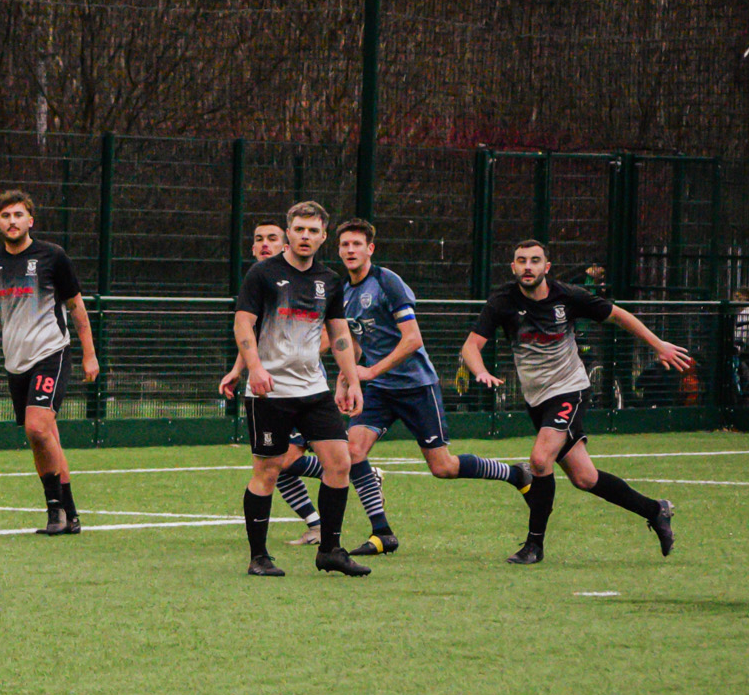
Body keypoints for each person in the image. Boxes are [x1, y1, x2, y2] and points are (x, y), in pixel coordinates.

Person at [459, 239, 691, 565]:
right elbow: (470, 347)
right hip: (537, 401)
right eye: (521, 261)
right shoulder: (502, 301)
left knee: (540, 459)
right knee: (585, 478)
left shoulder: (568, 296)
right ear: (513, 267)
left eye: (535, 260)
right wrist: (480, 370)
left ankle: (534, 546)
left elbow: (619, 316)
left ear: (546, 267)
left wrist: (657, 344)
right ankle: (655, 510)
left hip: (570, 390)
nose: (528, 266)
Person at [329, 216, 530, 555]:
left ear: (370, 249)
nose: (351, 250)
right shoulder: (344, 291)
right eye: (345, 245)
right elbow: (356, 342)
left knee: (443, 467)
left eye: (357, 244)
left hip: (416, 386)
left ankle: (515, 474)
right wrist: (345, 379)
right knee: (351, 453)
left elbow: (412, 339)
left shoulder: (387, 283)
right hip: (378, 389)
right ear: (338, 250)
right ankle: (383, 533)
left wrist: (370, 372)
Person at [232, 201, 368, 578]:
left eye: (313, 231)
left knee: (340, 463)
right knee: (269, 470)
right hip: (270, 391)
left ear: (324, 236)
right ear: (288, 232)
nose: (305, 236)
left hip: (314, 389)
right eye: (299, 229)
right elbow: (243, 325)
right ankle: (258, 556)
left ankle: (330, 551)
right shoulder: (263, 274)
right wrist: (254, 368)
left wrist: (351, 379)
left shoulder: (330, 280)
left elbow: (339, 334)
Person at [0, 189, 99, 533]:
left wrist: (90, 354)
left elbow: (77, 308)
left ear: (31, 220)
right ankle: (69, 515)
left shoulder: (52, 257)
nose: (13, 221)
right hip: (16, 362)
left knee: (37, 427)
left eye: (18, 215)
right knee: (46, 437)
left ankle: (55, 510)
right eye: (6, 216)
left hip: (51, 353)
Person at [221, 218, 320, 544]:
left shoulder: (307, 282)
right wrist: (239, 370)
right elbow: (253, 336)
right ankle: (315, 524)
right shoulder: (259, 281)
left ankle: (357, 473)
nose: (265, 244)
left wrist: (301, 355)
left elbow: (330, 332)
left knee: (284, 459)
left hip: (302, 388)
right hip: (269, 386)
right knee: (273, 464)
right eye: (259, 239)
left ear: (287, 244)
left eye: (272, 238)